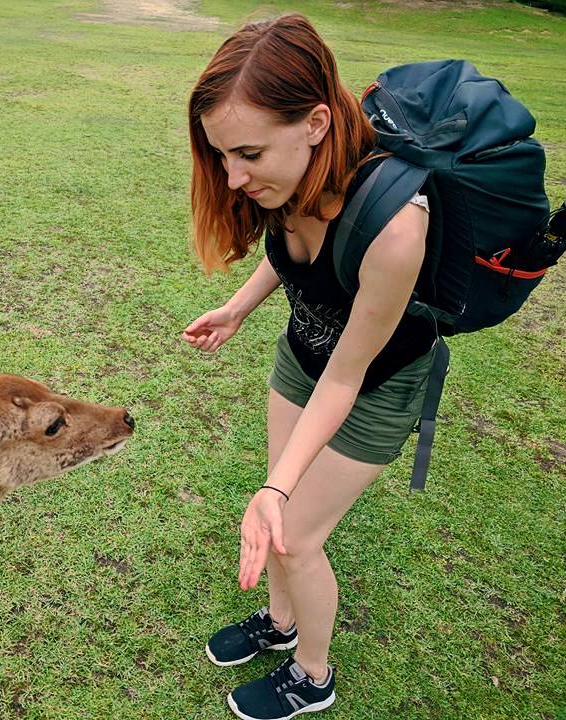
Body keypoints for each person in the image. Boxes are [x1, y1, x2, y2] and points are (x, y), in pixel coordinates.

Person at [181, 13, 438, 720]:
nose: (232, 178)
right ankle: (281, 621)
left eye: (248, 154)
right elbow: (293, 255)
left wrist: (277, 488)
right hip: (303, 353)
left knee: (293, 534)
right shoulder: (286, 174)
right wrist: (238, 307)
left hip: (374, 384)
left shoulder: (395, 228)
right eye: (221, 155)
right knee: (278, 521)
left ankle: (312, 673)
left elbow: (350, 377)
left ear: (317, 123)